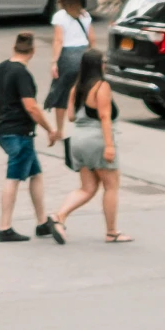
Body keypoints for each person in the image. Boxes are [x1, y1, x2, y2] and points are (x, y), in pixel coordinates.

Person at [52, 50, 129, 242]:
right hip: (96, 140)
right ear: (98, 65)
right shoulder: (101, 87)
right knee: (111, 186)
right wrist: (109, 146)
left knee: (87, 188)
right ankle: (111, 232)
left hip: (78, 140)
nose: (105, 65)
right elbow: (104, 116)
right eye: (103, 62)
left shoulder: (76, 88)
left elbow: (71, 116)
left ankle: (58, 216)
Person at [0, 30, 60, 243]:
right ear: (33, 51)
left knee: (36, 174)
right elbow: (31, 107)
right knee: (13, 179)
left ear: (14, 47)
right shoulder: (22, 74)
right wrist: (50, 128)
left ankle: (42, 222)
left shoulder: (0, 69)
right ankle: (5, 227)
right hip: (20, 133)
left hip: (6, 130)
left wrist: (1, 123)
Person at [44, 0, 93, 147]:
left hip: (67, 57)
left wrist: (53, 62)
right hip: (84, 56)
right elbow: (92, 39)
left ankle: (59, 130)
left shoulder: (60, 17)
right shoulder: (85, 15)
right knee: (83, 93)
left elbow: (58, 40)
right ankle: (86, 128)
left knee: (62, 93)